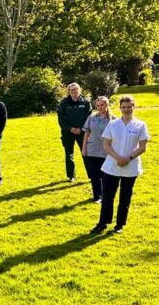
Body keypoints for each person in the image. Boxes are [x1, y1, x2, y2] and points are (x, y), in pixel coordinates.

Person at [91, 95, 150, 235]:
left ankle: (119, 224)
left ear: (133, 107)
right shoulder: (113, 124)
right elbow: (106, 144)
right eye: (124, 107)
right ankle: (103, 223)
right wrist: (117, 157)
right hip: (112, 166)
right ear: (120, 108)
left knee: (125, 196)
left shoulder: (140, 125)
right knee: (108, 196)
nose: (127, 109)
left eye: (129, 107)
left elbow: (142, 147)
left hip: (131, 167)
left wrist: (128, 158)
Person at [82, 96, 114, 203]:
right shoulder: (91, 118)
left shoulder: (113, 119)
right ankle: (97, 196)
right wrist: (84, 148)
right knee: (94, 176)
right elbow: (86, 133)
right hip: (92, 150)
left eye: (102, 105)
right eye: (98, 105)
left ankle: (106, 195)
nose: (100, 107)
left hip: (107, 151)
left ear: (107, 105)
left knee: (105, 175)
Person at [57, 83, 92, 182]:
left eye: (76, 90)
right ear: (69, 91)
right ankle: (71, 176)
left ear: (79, 90)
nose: (74, 92)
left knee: (85, 153)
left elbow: (88, 118)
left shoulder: (85, 103)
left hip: (82, 132)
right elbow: (61, 119)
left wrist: (81, 128)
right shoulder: (63, 103)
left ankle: (91, 175)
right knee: (69, 154)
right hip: (67, 133)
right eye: (72, 90)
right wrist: (70, 129)